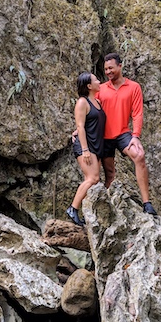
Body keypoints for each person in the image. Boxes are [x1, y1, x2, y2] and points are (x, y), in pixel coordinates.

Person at [97, 53, 157, 215]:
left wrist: (136, 136)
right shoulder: (100, 89)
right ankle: (110, 210)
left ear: (120, 66)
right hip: (104, 137)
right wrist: (79, 128)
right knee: (110, 174)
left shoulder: (133, 87)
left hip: (123, 134)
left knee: (139, 156)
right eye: (106, 69)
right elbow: (90, 110)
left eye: (111, 68)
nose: (108, 71)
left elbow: (137, 113)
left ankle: (147, 203)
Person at [66, 72, 106, 226]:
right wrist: (85, 150)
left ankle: (85, 214)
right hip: (85, 146)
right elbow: (80, 126)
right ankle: (72, 208)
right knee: (93, 178)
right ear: (89, 86)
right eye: (96, 79)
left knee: (92, 182)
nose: (99, 81)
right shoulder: (82, 102)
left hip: (96, 145)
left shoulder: (96, 102)